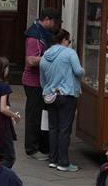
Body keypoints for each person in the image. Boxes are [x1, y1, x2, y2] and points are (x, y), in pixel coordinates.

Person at [41, 29, 84, 172]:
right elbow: (78, 71)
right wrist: (84, 71)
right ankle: (63, 162)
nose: (69, 43)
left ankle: (53, 159)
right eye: (69, 41)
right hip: (67, 95)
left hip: (50, 96)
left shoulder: (45, 55)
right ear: (64, 40)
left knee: (53, 128)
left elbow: (43, 80)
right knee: (64, 130)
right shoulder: (69, 53)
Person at [23, 8, 59, 161]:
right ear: (47, 19)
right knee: (34, 116)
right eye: (55, 22)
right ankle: (31, 148)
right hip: (34, 82)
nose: (55, 25)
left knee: (43, 115)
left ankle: (43, 145)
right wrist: (53, 56)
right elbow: (30, 60)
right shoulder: (35, 36)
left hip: (43, 83)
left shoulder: (43, 34)